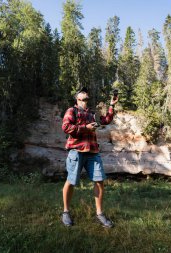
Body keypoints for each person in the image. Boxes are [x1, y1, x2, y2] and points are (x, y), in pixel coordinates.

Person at [61, 87, 118, 228]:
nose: (86, 97)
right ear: (77, 99)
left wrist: (112, 105)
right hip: (76, 151)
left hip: (93, 151)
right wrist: (85, 128)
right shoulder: (71, 111)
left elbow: (105, 120)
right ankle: (66, 212)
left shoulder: (93, 113)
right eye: (83, 95)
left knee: (99, 181)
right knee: (71, 181)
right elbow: (66, 127)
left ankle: (99, 213)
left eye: (87, 95)